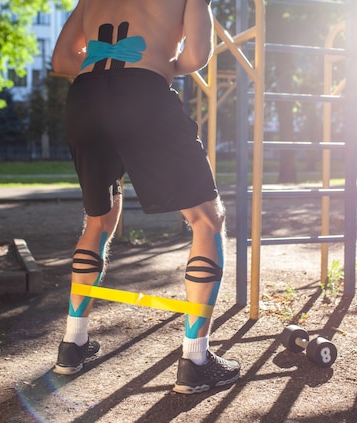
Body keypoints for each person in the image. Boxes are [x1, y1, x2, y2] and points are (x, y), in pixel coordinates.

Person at [50, 0, 240, 394]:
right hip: (143, 92)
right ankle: (196, 360)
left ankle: (73, 344)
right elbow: (197, 56)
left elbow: (62, 59)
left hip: (85, 98)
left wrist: (105, 57)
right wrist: (157, 63)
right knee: (207, 219)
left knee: (98, 219)